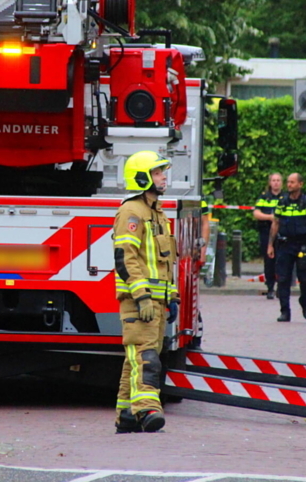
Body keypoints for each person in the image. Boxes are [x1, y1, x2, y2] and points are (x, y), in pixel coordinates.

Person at [112, 150, 178, 434]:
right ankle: (148, 409)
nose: (163, 177)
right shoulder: (132, 212)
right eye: (158, 172)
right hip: (139, 302)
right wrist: (141, 296)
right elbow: (124, 259)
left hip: (156, 302)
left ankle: (126, 413)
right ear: (142, 178)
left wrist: (171, 296)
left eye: (162, 172)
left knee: (136, 358)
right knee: (146, 357)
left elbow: (163, 262)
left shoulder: (156, 213)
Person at [267, 173, 306, 322]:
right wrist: (270, 245)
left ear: (300, 184)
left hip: (303, 244)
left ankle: (304, 302)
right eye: (288, 182)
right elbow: (275, 223)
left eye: (292, 182)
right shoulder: (282, 201)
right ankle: (285, 311)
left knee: (305, 279)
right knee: (283, 278)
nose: (289, 185)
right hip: (285, 244)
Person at [253, 173, 283, 299]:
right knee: (269, 261)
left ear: (281, 183)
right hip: (266, 232)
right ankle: (270, 287)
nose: (276, 183)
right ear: (270, 182)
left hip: (282, 233)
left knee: (282, 261)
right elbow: (256, 213)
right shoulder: (264, 197)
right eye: (273, 180)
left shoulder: (285, 197)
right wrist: (270, 217)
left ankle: (282, 287)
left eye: (278, 180)